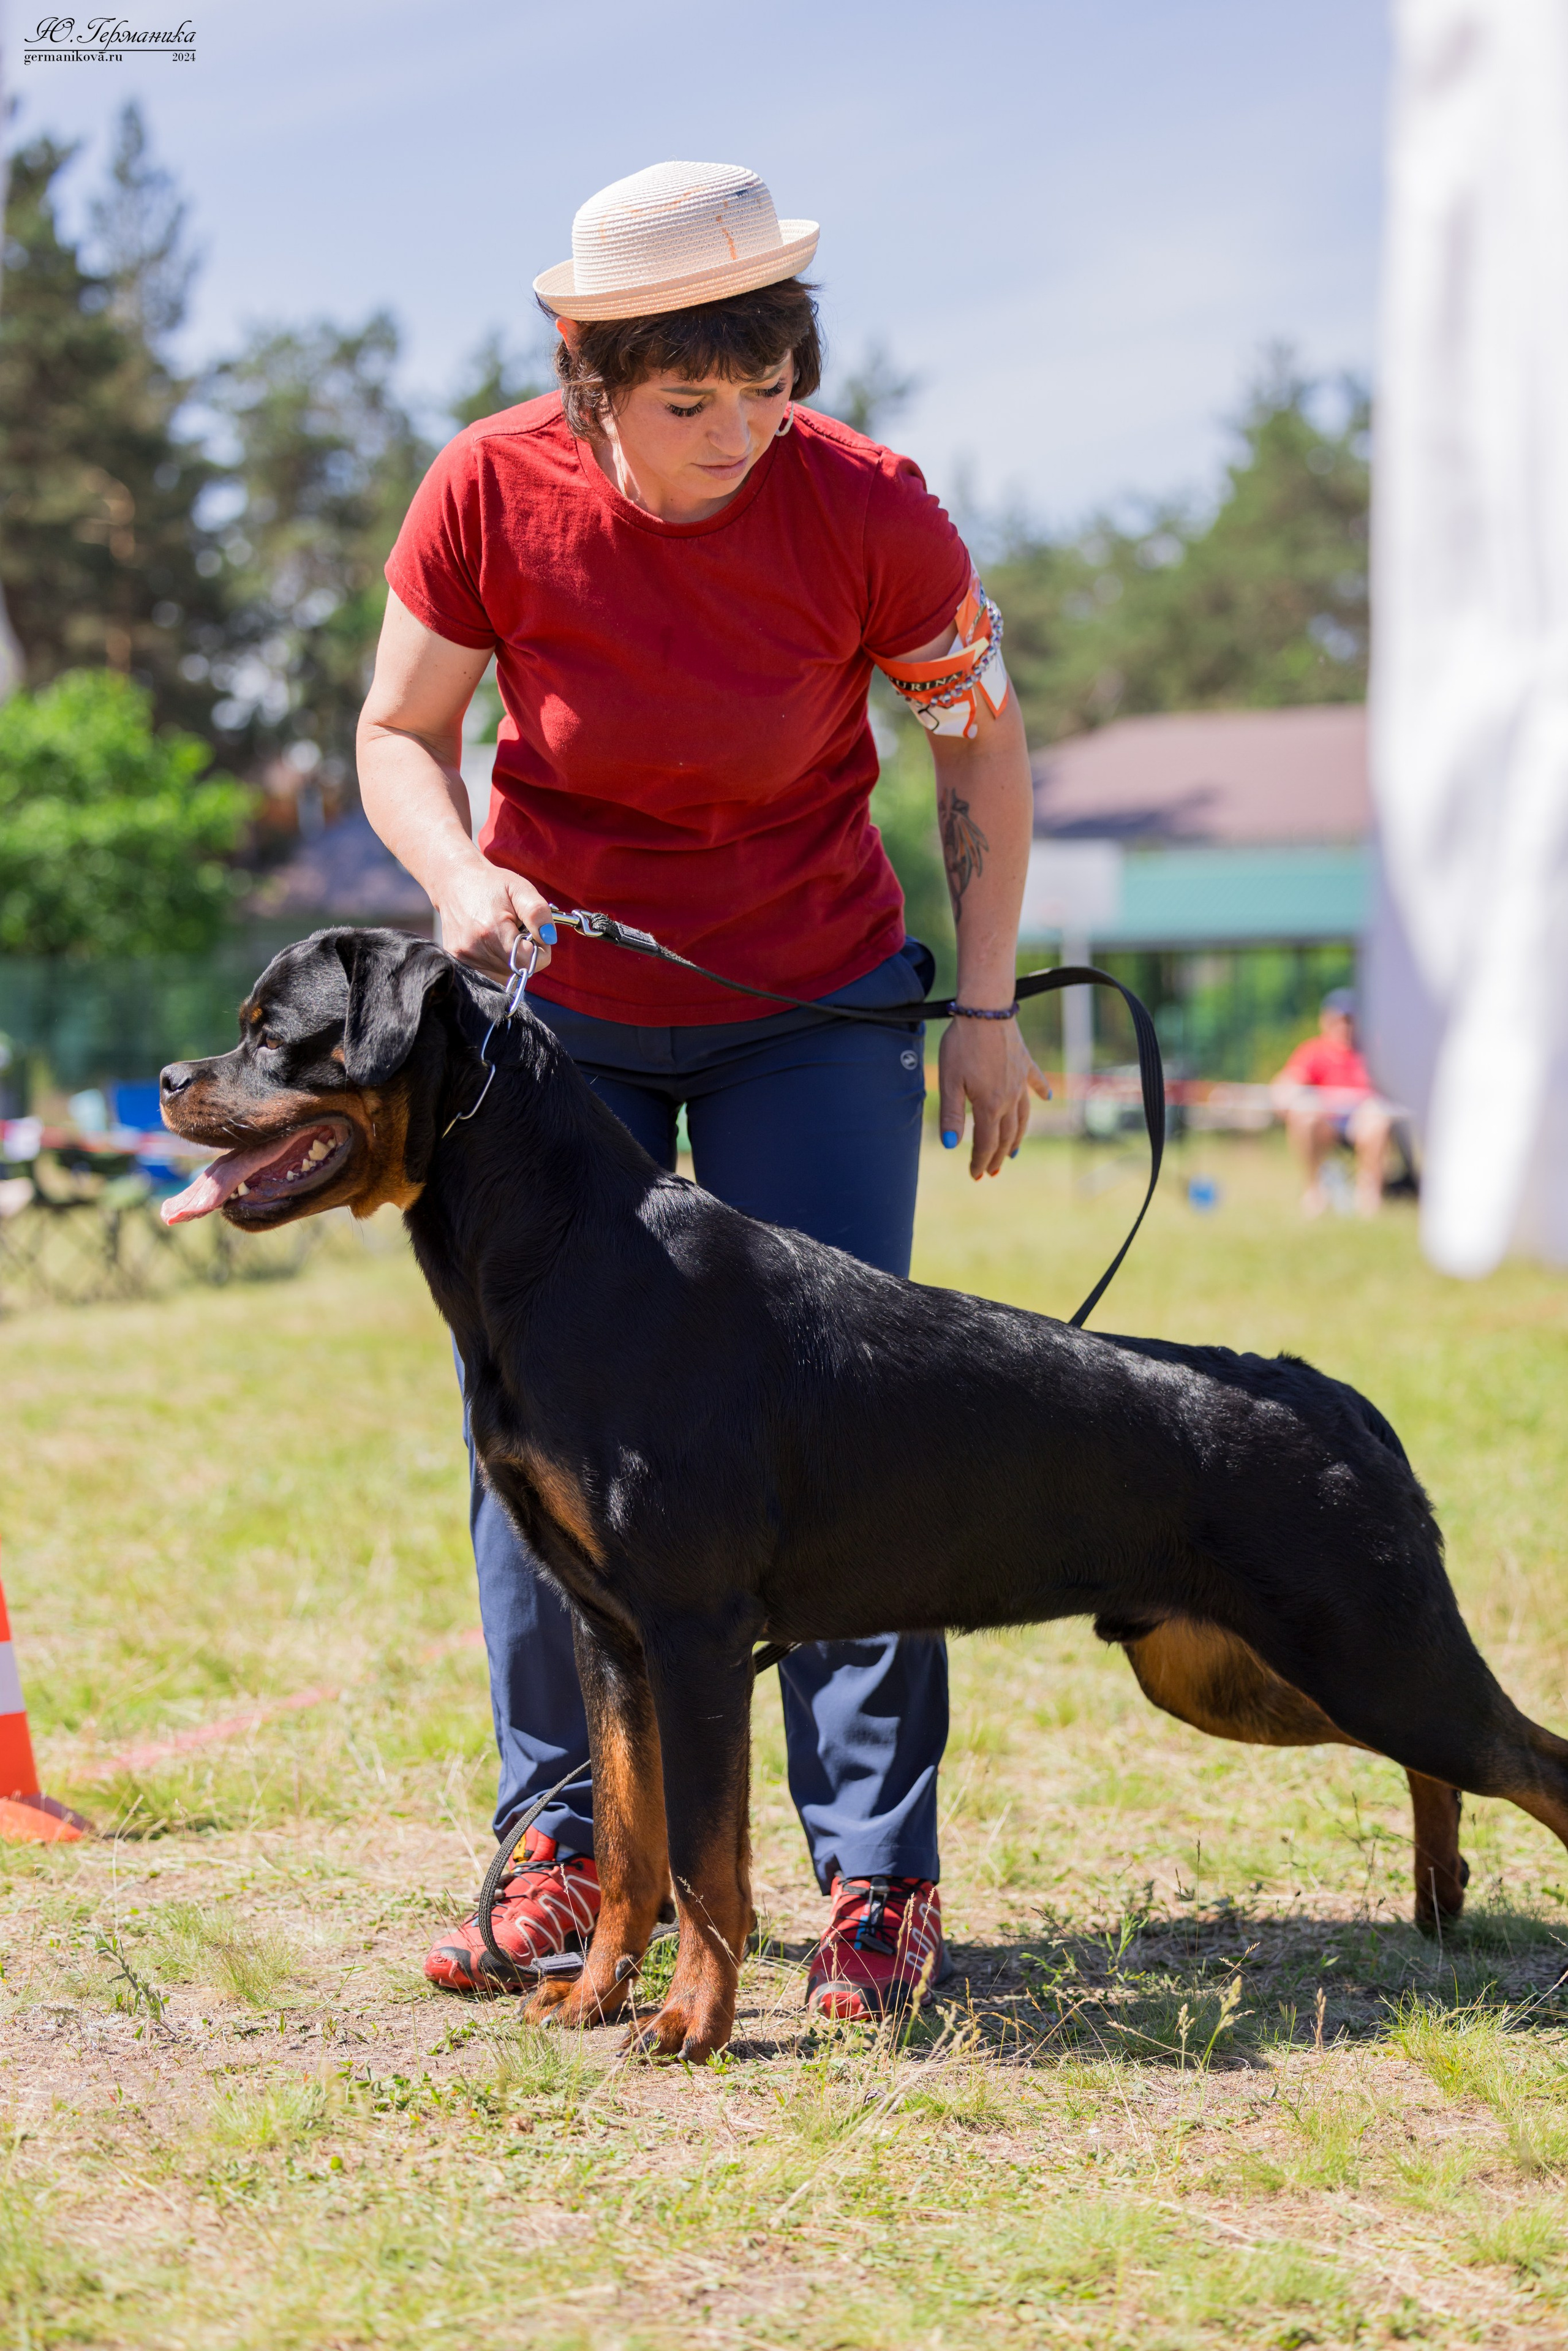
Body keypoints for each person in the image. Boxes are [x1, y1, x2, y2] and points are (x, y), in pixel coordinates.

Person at [355, 160, 1047, 2020]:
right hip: (548, 1012)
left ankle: (875, 1879)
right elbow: (401, 732)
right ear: (586, 371)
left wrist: (978, 1005)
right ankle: (561, 1845)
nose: (741, 432)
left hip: (807, 996)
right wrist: (452, 880)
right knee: (544, 1442)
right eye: (690, 402)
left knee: (849, 1417)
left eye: (771, 386)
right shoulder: (487, 486)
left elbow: (975, 752)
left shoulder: (871, 505)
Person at [1271, 988, 1393, 1218]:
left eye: (1350, 1021)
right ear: (1325, 1021)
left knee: (1377, 1116)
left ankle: (1368, 1195)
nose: (1344, 1027)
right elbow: (1285, 1084)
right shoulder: (1313, 1052)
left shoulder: (1373, 1051)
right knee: (1305, 1113)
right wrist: (1288, 1096)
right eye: (1339, 1021)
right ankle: (1314, 1191)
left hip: (1362, 1122)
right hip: (1326, 1122)